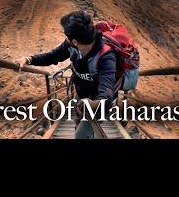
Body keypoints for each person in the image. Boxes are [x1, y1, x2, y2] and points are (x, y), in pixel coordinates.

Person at [16, 11, 118, 139]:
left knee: (80, 135)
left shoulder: (106, 56)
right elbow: (52, 56)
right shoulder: (72, 46)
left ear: (75, 41)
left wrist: (96, 103)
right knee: (77, 121)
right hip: (80, 94)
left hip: (98, 104)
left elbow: (107, 88)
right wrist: (28, 60)